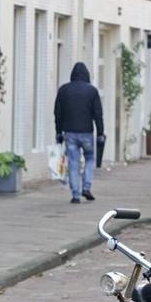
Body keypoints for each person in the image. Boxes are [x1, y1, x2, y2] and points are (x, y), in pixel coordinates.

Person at [54, 63, 105, 204]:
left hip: (69, 132)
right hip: (87, 132)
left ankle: (75, 194)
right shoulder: (92, 91)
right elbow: (98, 114)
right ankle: (86, 186)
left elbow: (58, 113)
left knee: (73, 162)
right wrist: (100, 132)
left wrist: (58, 132)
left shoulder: (63, 90)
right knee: (89, 159)